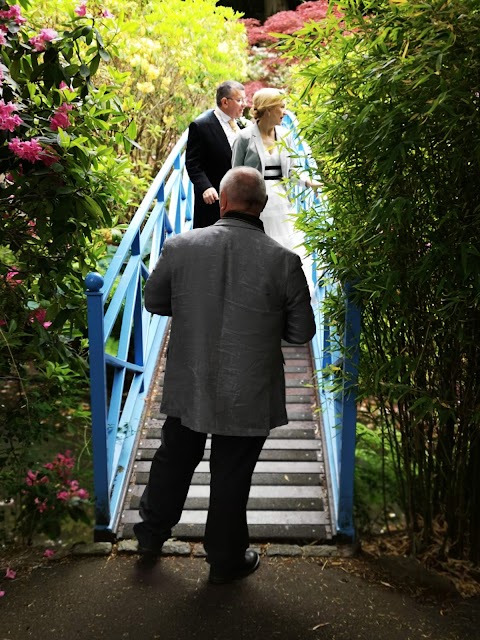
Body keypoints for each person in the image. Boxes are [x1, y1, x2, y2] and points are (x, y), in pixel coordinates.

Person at [134, 167, 316, 584]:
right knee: (232, 475)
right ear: (263, 205)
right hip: (249, 389)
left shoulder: (180, 245)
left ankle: (149, 536)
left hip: (190, 379)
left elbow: (155, 300)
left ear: (226, 201)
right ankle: (225, 557)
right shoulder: (284, 261)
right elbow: (300, 331)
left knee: (173, 460)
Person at [232, 88, 319, 289]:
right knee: (257, 246)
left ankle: (279, 290)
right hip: (255, 202)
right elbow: (235, 175)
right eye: (281, 106)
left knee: (283, 247)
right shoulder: (244, 138)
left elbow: (293, 171)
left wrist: (308, 182)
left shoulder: (286, 136)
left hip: (281, 199)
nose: (284, 112)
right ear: (269, 109)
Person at [185, 80, 246, 229]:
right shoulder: (201, 126)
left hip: (239, 199)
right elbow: (193, 163)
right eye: (239, 100)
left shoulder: (241, 125)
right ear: (225, 102)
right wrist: (205, 187)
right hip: (214, 200)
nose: (244, 104)